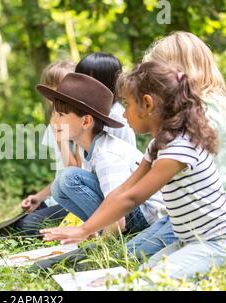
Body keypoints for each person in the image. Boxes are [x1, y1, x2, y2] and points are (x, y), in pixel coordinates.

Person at [42, 61, 226, 280]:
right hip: (188, 238)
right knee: (135, 273)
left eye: (127, 104)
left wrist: (83, 230)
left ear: (147, 104)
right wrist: (87, 228)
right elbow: (123, 190)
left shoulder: (178, 150)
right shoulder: (157, 145)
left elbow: (131, 197)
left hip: (220, 242)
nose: (124, 115)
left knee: (148, 281)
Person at [125, 31, 226, 260]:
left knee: (134, 254)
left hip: (217, 217)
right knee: (129, 253)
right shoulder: (209, 104)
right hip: (190, 213)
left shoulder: (203, 112)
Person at [38, 72, 165, 235]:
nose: (54, 122)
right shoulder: (88, 149)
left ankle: (111, 236)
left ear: (86, 121)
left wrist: (104, 245)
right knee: (58, 187)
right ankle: (100, 231)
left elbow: (119, 214)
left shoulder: (106, 155)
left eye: (61, 115)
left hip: (146, 216)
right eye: (54, 115)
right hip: (130, 211)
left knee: (69, 178)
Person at [13, 61, 76, 235]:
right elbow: (61, 175)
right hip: (61, 195)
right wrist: (39, 196)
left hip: (80, 200)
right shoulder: (54, 124)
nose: (56, 99)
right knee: (20, 220)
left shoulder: (81, 123)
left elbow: (75, 174)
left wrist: (61, 137)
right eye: (51, 92)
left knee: (27, 226)